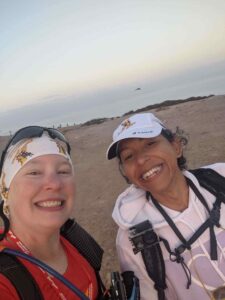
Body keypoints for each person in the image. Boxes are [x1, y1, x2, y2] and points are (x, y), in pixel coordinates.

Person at [106, 112, 225, 300]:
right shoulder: (132, 239)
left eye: (150, 143)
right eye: (128, 156)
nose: (140, 160)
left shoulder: (220, 180)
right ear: (127, 175)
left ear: (176, 146)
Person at [0, 126, 102, 300]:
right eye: (34, 172)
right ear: (6, 192)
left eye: (63, 171)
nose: (54, 184)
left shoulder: (79, 243)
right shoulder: (5, 279)